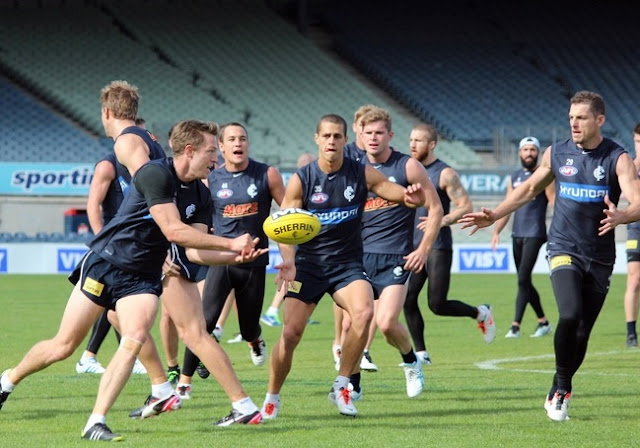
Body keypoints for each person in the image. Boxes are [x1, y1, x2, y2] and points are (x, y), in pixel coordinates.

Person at [0, 118, 266, 440]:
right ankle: (8, 380)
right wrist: (231, 243)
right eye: (211, 151)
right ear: (189, 150)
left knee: (135, 337)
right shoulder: (156, 174)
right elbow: (173, 230)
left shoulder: (201, 195)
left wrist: (234, 256)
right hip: (106, 263)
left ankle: (96, 422)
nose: (217, 158)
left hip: (143, 277)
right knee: (63, 346)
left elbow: (194, 252)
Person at [460, 91, 640, 422]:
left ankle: (558, 385)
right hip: (563, 247)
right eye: (571, 117)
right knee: (569, 315)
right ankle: (562, 390)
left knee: (582, 332)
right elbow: (529, 189)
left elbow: (638, 200)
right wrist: (496, 214)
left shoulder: (618, 158)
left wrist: (623, 216)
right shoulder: (556, 153)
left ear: (599, 120)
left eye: (581, 117)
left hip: (600, 256)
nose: (574, 123)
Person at [260, 114, 427, 420]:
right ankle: (272, 397)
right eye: (326, 136)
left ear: (346, 140)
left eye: (337, 136)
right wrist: (289, 260)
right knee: (291, 334)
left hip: (347, 265)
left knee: (364, 314)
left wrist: (411, 198)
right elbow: (284, 225)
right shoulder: (302, 178)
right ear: (317, 139)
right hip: (307, 266)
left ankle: (342, 385)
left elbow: (393, 192)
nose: (332, 141)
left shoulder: (360, 172)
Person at [175, 122, 286, 395]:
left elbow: (287, 217)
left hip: (254, 263)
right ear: (221, 147)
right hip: (220, 261)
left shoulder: (267, 174)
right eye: (232, 139)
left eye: (243, 138)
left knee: (248, 327)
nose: (238, 143)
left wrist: (289, 256)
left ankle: (254, 340)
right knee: (204, 322)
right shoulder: (209, 179)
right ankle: (184, 384)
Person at [344, 108, 443, 399]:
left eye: (379, 133)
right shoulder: (353, 169)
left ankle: (411, 362)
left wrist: (423, 249)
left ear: (390, 135)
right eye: (368, 133)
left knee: (386, 323)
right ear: (360, 135)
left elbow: (436, 209)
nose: (373, 138)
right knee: (354, 323)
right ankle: (353, 384)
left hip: (396, 257)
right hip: (359, 257)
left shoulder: (407, 166)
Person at [403, 123, 495, 363]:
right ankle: (421, 353)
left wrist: (440, 220)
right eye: (411, 140)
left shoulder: (445, 173)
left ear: (432, 144)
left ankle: (481, 313)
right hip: (413, 245)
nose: (413, 145)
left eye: (418, 141)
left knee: (437, 304)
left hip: (438, 245)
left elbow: (466, 206)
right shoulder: (409, 169)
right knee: (408, 298)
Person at [76, 115, 158, 375]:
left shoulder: (148, 163)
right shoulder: (108, 165)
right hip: (113, 247)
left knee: (116, 304)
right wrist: (102, 242)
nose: (143, 141)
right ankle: (91, 357)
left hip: (134, 245)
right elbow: (93, 205)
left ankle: (96, 356)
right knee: (111, 304)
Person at [491, 136, 555, 339]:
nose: (529, 153)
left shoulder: (544, 175)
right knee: (524, 281)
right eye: (526, 150)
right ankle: (543, 322)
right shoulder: (515, 177)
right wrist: (496, 231)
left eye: (533, 150)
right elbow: (508, 205)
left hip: (535, 233)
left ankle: (515, 326)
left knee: (522, 279)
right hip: (517, 233)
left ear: (538, 153)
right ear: (520, 153)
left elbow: (554, 202)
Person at [260, 152, 318, 328]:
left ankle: (299, 311)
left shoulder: (300, 182)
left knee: (299, 279)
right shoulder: (302, 184)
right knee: (293, 277)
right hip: (298, 241)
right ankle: (272, 311)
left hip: (302, 240)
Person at [623, 123, 640, 348]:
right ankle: (631, 333)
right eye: (637, 142)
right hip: (636, 227)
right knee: (634, 280)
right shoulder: (630, 166)